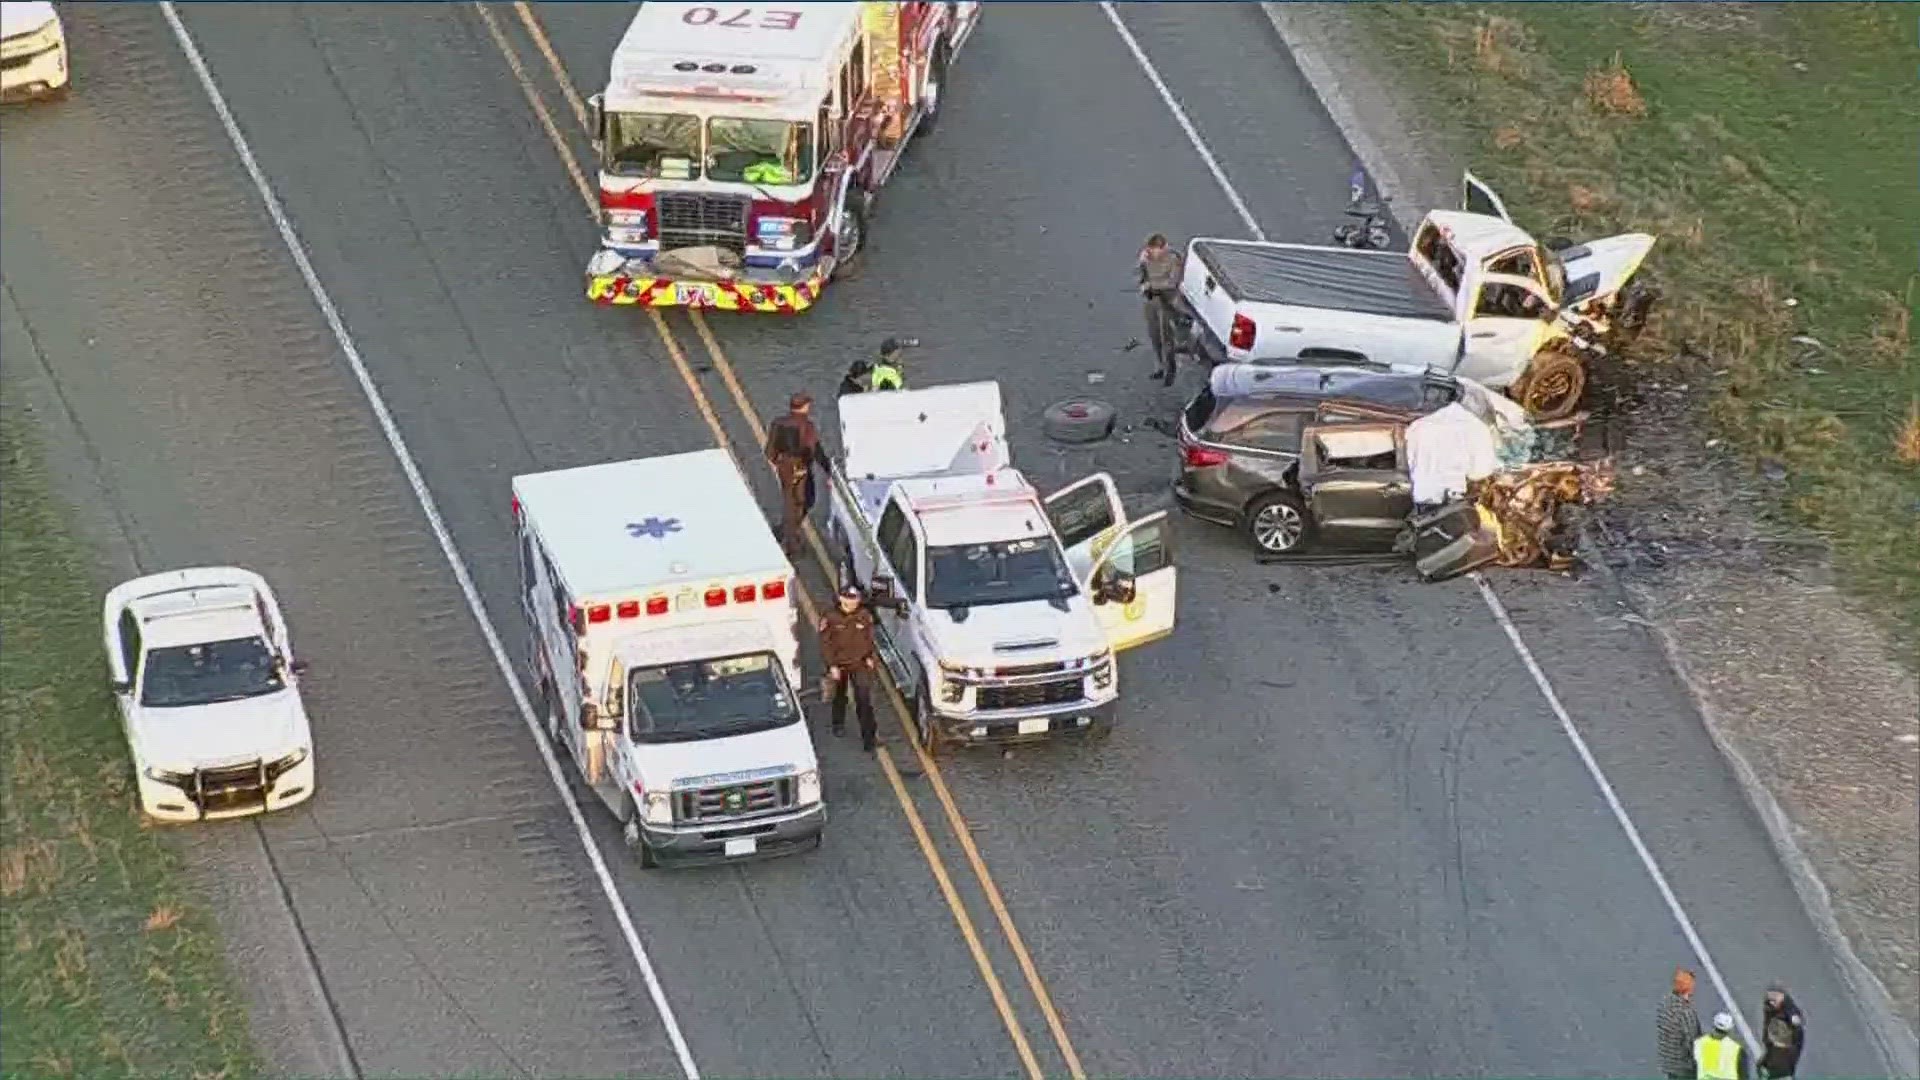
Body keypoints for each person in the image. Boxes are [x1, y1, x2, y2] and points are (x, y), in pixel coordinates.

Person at [764, 391, 828, 557]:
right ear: (804, 407)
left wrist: (779, 463)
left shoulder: (778, 423)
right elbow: (814, 450)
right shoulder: (807, 426)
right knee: (802, 501)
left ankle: (787, 531)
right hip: (800, 466)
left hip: (784, 467)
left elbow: (770, 450)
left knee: (789, 500)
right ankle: (792, 543)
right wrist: (827, 470)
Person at [818, 584, 880, 751]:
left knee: (864, 701)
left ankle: (869, 739)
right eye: (849, 599)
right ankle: (838, 723)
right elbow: (825, 644)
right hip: (840, 665)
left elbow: (870, 638)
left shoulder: (864, 615)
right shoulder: (830, 617)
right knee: (840, 696)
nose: (853, 603)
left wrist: (869, 657)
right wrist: (831, 665)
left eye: (856, 599)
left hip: (859, 664)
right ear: (841, 598)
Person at [1137, 233, 1183, 386]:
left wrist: (1153, 286)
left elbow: (1173, 283)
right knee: (1154, 334)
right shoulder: (1146, 258)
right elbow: (1140, 278)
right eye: (1150, 250)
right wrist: (1142, 265)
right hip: (1152, 300)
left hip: (1168, 301)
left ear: (1163, 248)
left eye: (1154, 250)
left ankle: (1170, 368)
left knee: (1166, 337)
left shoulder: (1173, 260)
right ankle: (1159, 365)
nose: (1151, 253)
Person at [1659, 967, 1705, 1079]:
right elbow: (1692, 1041)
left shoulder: (1665, 1005)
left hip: (1669, 1062)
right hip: (1684, 1066)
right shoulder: (1685, 1012)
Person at [1757, 984, 1805, 1079]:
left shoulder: (1790, 1012)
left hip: (1784, 1052)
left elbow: (1797, 1027)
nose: (1771, 1002)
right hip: (1776, 1048)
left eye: (1774, 999)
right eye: (1770, 999)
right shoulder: (1770, 1007)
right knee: (1763, 1068)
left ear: (1781, 996)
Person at [1695, 1012, 1749, 1080]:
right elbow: (1744, 1076)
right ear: (1730, 1030)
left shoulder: (1698, 1044)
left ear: (1713, 1026)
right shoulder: (1737, 1049)